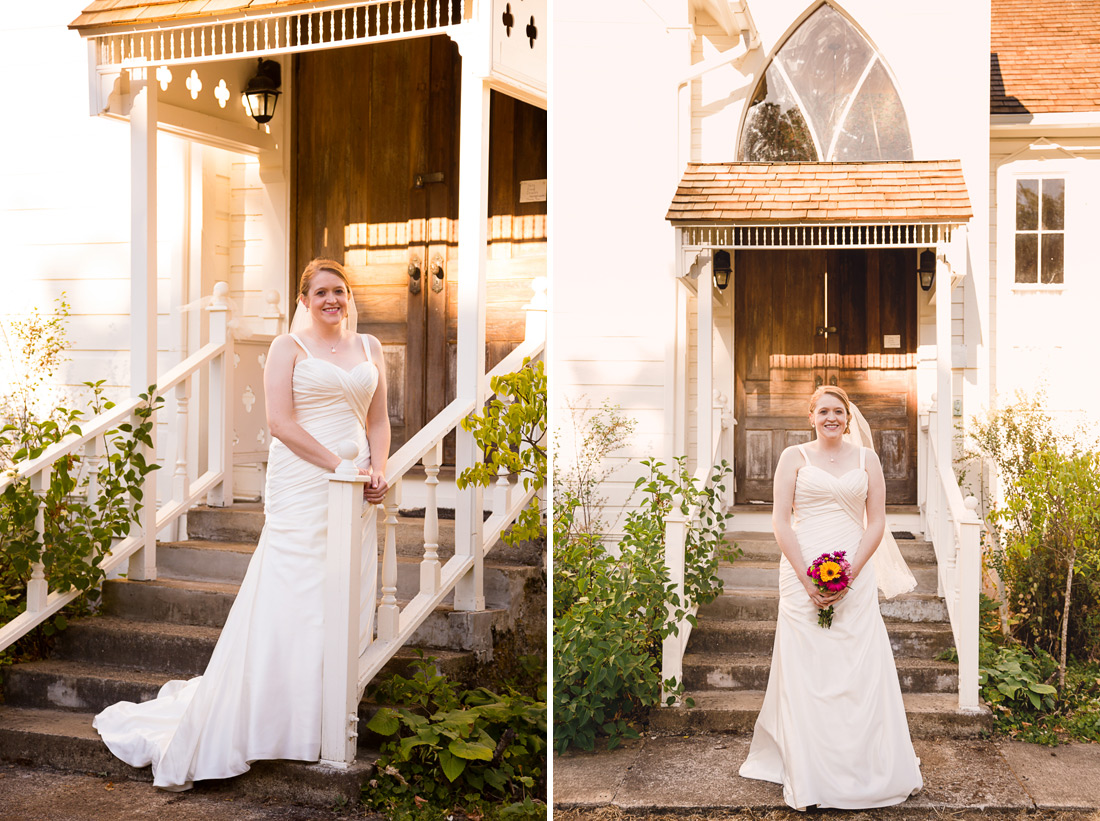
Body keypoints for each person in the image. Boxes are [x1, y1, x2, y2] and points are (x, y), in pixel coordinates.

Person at [93, 258, 390, 790]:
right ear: (303, 300)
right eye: (320, 292)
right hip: (305, 484)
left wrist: (378, 468)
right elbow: (280, 423)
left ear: (349, 297)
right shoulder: (286, 349)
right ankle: (261, 723)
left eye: (339, 291)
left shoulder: (370, 349)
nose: (331, 300)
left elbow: (378, 420)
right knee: (291, 595)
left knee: (336, 598)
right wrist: (341, 466)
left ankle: (315, 720)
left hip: (355, 490)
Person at [738, 385, 922, 810]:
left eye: (838, 411)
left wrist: (852, 570)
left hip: (854, 568)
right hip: (800, 570)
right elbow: (781, 522)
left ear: (848, 417)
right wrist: (806, 578)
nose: (831, 418)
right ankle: (810, 773)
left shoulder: (867, 459)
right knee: (809, 668)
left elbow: (876, 522)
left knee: (857, 664)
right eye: (823, 411)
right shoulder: (793, 458)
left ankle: (863, 762)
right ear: (811, 417)